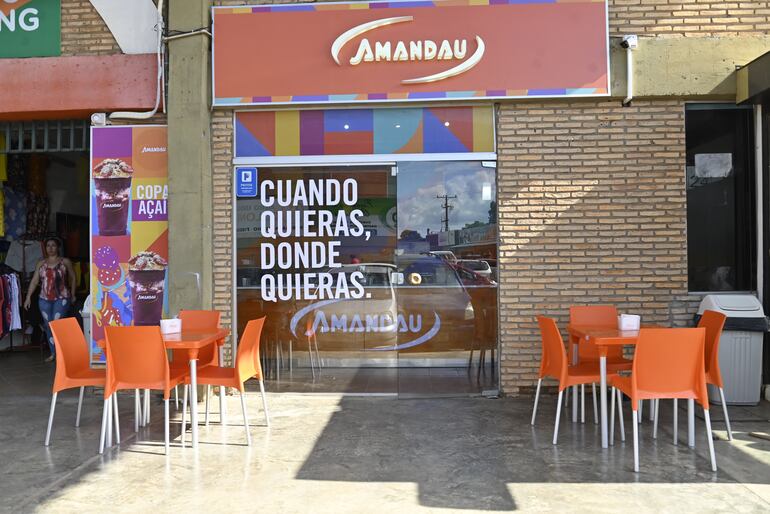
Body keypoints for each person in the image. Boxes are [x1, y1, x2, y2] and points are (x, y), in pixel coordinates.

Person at [24, 237, 77, 362]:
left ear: (58, 247)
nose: (51, 248)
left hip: (62, 298)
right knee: (48, 326)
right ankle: (54, 354)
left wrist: (73, 294)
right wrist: (28, 297)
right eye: (48, 246)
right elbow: (35, 281)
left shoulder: (65, 262)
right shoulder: (41, 263)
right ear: (45, 248)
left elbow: (73, 278)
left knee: (56, 325)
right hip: (44, 299)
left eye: (53, 245)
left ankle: (62, 353)